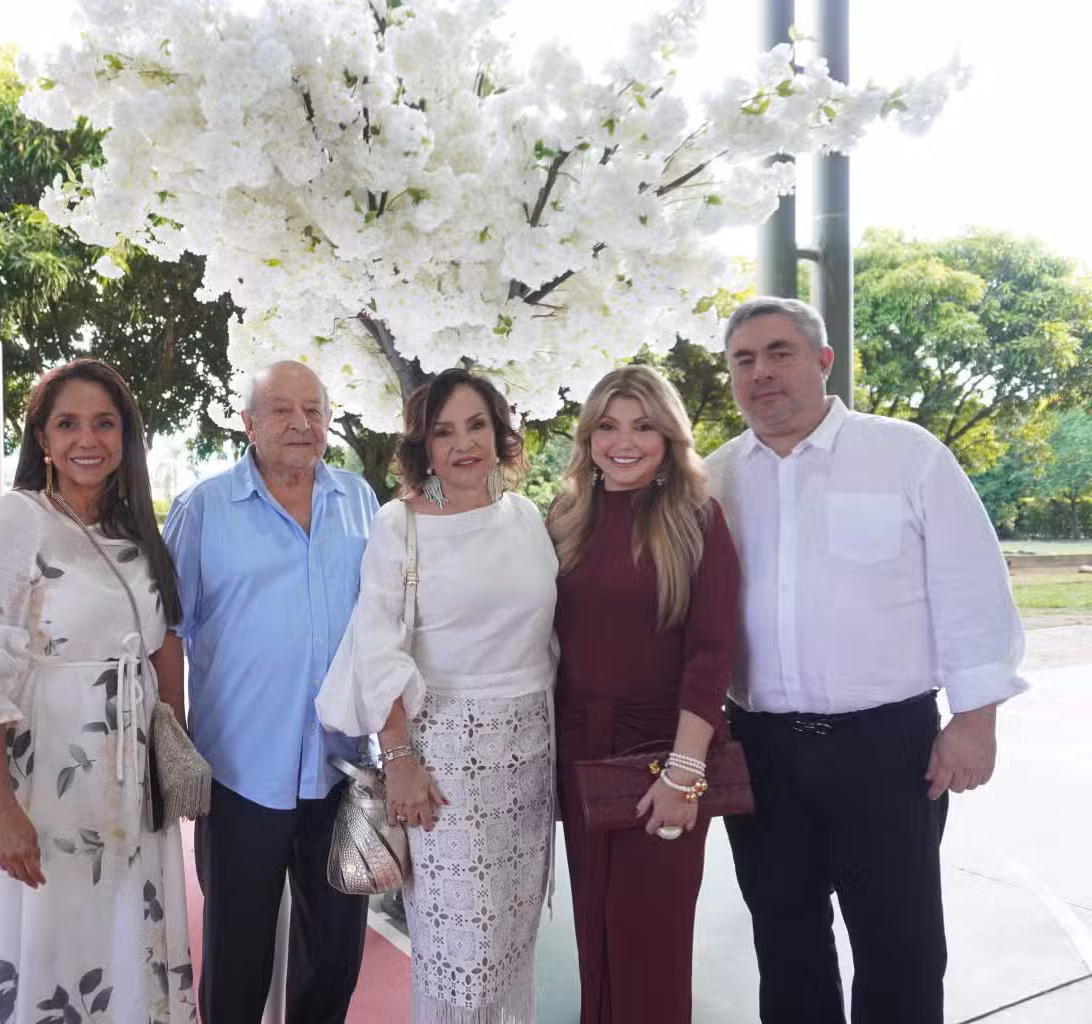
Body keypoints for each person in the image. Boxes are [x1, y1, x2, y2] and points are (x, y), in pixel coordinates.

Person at [707, 296, 1027, 1024]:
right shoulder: (715, 478)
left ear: (824, 361)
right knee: (784, 940)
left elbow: (972, 589)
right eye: (744, 359)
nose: (761, 372)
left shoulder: (907, 455)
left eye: (780, 352)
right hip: (758, 749)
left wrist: (975, 721)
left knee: (900, 945)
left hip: (888, 748)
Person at [0, 359, 197, 1023]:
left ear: (126, 435)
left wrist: (173, 756)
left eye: (104, 423)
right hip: (43, 777)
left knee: (118, 937)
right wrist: (3, 806)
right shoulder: (19, 517)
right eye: (68, 424)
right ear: (43, 439)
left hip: (129, 783)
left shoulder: (134, 529)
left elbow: (162, 642)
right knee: (48, 941)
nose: (89, 439)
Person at [318, 368, 558, 1024]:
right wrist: (400, 760)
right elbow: (377, 648)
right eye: (444, 431)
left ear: (500, 433)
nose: (464, 443)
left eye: (477, 425)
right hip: (444, 765)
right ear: (423, 447)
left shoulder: (526, 517)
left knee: (510, 947)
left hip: (530, 761)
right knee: (461, 953)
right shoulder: (399, 524)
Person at [162, 360, 378, 1024]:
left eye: (313, 410)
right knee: (236, 962)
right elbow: (167, 629)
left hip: (342, 771)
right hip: (241, 775)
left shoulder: (361, 501)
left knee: (335, 961)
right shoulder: (204, 509)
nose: (300, 423)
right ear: (248, 423)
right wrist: (174, 742)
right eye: (281, 409)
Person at [547, 365, 740, 1024]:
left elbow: (712, 654)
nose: (623, 442)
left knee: (649, 945)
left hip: (664, 758)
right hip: (581, 755)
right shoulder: (564, 519)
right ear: (588, 436)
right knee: (596, 939)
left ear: (668, 438)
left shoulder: (697, 520)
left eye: (643, 426)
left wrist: (683, 773)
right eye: (607, 425)